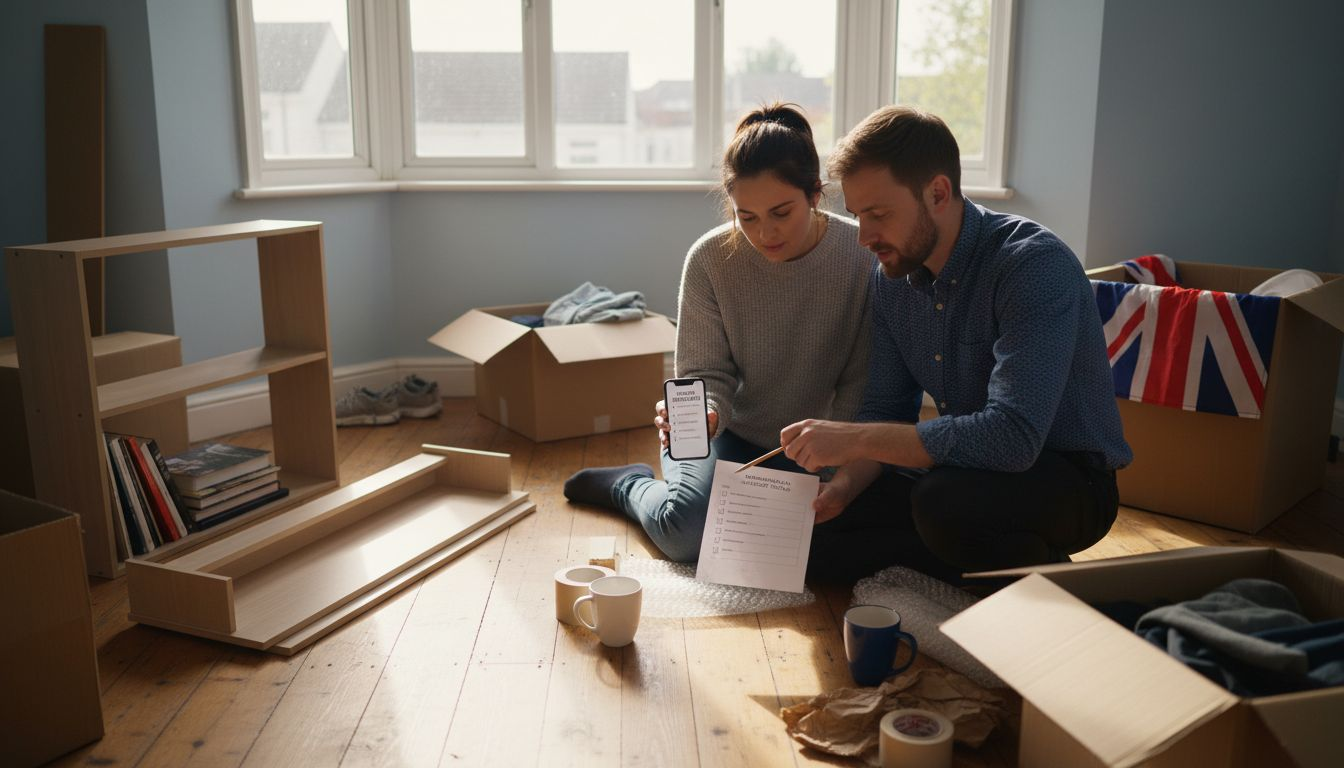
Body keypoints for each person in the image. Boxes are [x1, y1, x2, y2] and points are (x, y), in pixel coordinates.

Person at [782, 105, 1132, 584]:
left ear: (938, 193)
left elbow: (1012, 438)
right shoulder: (892, 279)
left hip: (1068, 479)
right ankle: (989, 565)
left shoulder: (1031, 265)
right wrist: (841, 487)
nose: (864, 237)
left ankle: (1011, 573)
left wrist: (853, 439)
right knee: (815, 544)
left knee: (942, 503)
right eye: (858, 216)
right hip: (965, 469)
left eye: (879, 214)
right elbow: (887, 408)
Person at [563, 103, 876, 561]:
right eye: (745, 217)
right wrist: (705, 415)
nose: (765, 232)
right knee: (685, 533)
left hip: (818, 443)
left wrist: (835, 470)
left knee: (819, 541)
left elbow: (859, 383)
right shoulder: (709, 260)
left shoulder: (861, 258)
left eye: (781, 212)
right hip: (727, 435)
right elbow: (703, 374)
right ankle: (628, 486)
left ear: (815, 194)